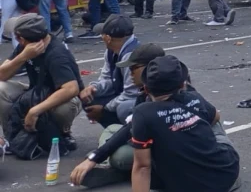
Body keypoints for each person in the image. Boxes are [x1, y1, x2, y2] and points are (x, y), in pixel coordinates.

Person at [129, 56, 241, 192]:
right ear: (183, 85)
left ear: (146, 89)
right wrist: (187, 123)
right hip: (226, 176)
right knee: (213, 122)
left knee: (151, 144)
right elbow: (215, 117)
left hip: (184, 185)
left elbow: (142, 167)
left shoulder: (143, 113)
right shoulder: (193, 97)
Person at [69, 43, 171, 189]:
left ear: (148, 68)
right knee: (112, 129)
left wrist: (95, 157)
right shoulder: (145, 91)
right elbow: (130, 127)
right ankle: (112, 165)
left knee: (120, 156)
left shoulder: (165, 93)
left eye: (133, 68)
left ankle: (117, 169)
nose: (129, 73)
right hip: (142, 139)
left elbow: (132, 128)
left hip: (157, 149)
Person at [0, 13, 83, 154]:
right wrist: (22, 57)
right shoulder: (25, 46)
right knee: (1, 88)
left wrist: (35, 111)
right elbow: (2, 74)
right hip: (34, 92)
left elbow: (71, 88)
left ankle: (62, 134)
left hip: (56, 95)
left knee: (65, 107)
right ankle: (12, 137)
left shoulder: (57, 53)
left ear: (21, 38)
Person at [79, 15, 140, 127]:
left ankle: (128, 134)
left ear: (108, 38)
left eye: (102, 34)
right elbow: (108, 79)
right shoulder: (111, 51)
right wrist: (94, 88)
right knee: (88, 97)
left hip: (140, 100)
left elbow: (131, 94)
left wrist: (104, 109)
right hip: (122, 93)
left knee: (123, 108)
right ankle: (113, 131)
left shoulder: (130, 55)